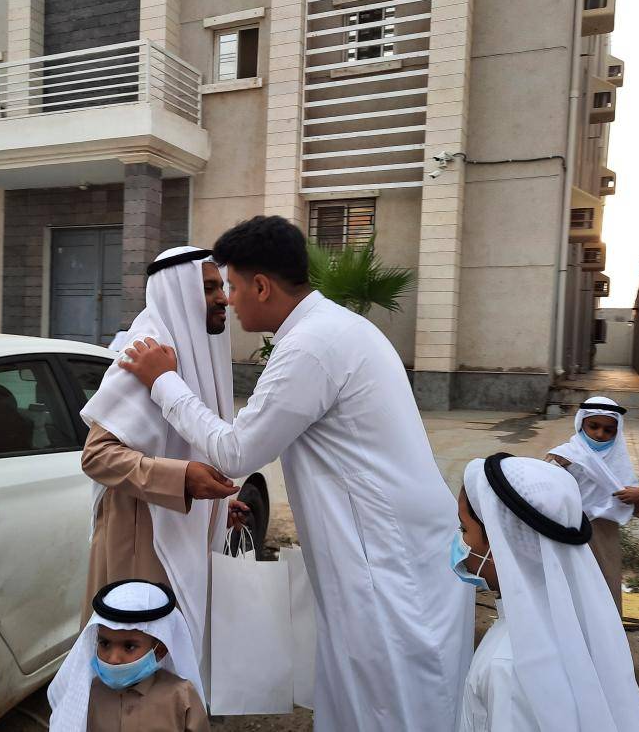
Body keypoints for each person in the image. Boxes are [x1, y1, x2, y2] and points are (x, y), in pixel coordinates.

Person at [121, 216, 473, 731]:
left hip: (385, 556)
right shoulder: (336, 327)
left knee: (394, 698)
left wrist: (164, 382)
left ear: (262, 286)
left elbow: (236, 451)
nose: (228, 301)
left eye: (233, 287)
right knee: (370, 689)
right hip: (392, 545)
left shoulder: (311, 346)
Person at [79, 246, 247, 692]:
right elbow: (97, 455)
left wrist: (217, 507)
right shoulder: (147, 352)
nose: (223, 298)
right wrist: (183, 479)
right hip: (140, 539)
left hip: (178, 526)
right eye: (208, 288)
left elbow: (188, 440)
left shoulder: (192, 353)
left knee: (173, 673)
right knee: (139, 678)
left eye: (222, 286)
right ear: (178, 291)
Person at [455, 454, 639, 732]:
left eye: (464, 528)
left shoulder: (508, 666)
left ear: (501, 543)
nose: (458, 540)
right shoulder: (584, 622)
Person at [48, 579, 210, 732]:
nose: (113, 659)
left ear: (159, 651)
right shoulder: (87, 694)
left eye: (129, 647)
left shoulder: (181, 697)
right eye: (105, 644)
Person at [545, 396, 639, 611]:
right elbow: (541, 491)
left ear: (617, 431)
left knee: (605, 585)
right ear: (581, 423)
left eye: (608, 430)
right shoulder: (563, 456)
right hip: (566, 530)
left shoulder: (619, 460)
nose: (600, 434)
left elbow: (636, 508)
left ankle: (606, 632)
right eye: (594, 426)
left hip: (604, 535)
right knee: (568, 587)